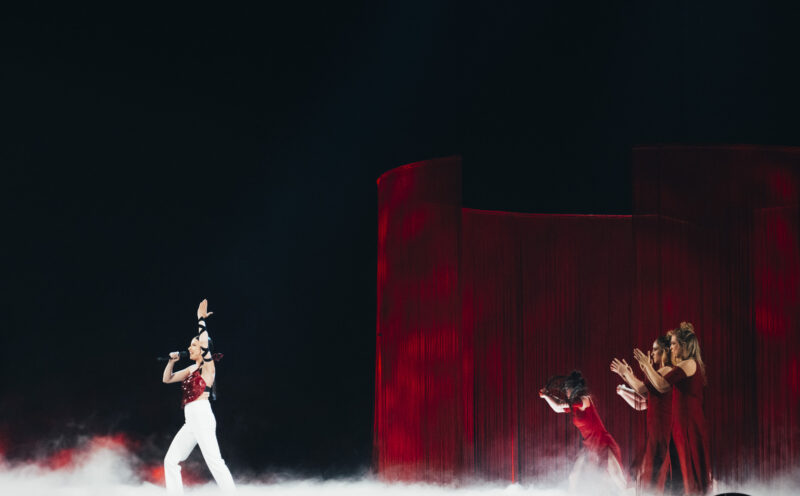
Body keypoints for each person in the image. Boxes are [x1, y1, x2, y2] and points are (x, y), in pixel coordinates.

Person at [162, 299, 236, 493]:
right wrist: (171, 362)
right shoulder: (190, 368)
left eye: (193, 345)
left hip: (202, 416)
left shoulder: (208, 366)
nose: (191, 348)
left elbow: (204, 344)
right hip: (191, 420)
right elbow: (167, 379)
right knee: (170, 460)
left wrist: (200, 320)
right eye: (191, 345)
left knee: (215, 462)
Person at [634, 322, 711, 495]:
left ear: (684, 345)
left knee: (689, 474)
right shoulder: (683, 365)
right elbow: (656, 386)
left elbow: (661, 385)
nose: (671, 347)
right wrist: (646, 368)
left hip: (689, 427)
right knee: (678, 475)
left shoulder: (689, 364)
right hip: (679, 427)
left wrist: (647, 365)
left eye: (674, 343)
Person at [539, 370, 627, 491]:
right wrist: (546, 396)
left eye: (568, 389)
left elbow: (560, 405)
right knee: (574, 476)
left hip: (603, 442)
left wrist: (548, 396)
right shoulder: (573, 405)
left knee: (617, 477)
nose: (566, 392)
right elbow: (558, 408)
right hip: (589, 445)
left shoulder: (585, 399)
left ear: (575, 388)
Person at [611, 334, 674, 494]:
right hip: (656, 434)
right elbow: (645, 397)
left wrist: (626, 373)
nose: (652, 353)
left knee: (656, 479)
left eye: (655, 350)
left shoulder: (668, 370)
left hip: (663, 434)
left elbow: (641, 389)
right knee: (647, 477)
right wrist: (626, 375)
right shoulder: (659, 372)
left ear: (666, 351)